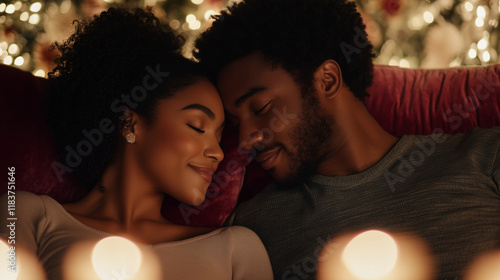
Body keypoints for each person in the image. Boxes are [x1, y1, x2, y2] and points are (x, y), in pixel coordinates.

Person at [194, 0, 500, 279]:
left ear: (327, 80)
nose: (246, 138)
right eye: (235, 123)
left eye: (261, 108)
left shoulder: (486, 155)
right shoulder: (252, 228)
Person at [0, 8, 272, 280]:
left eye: (219, 136)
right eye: (197, 126)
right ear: (130, 123)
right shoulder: (26, 215)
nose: (217, 153)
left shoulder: (237, 248)